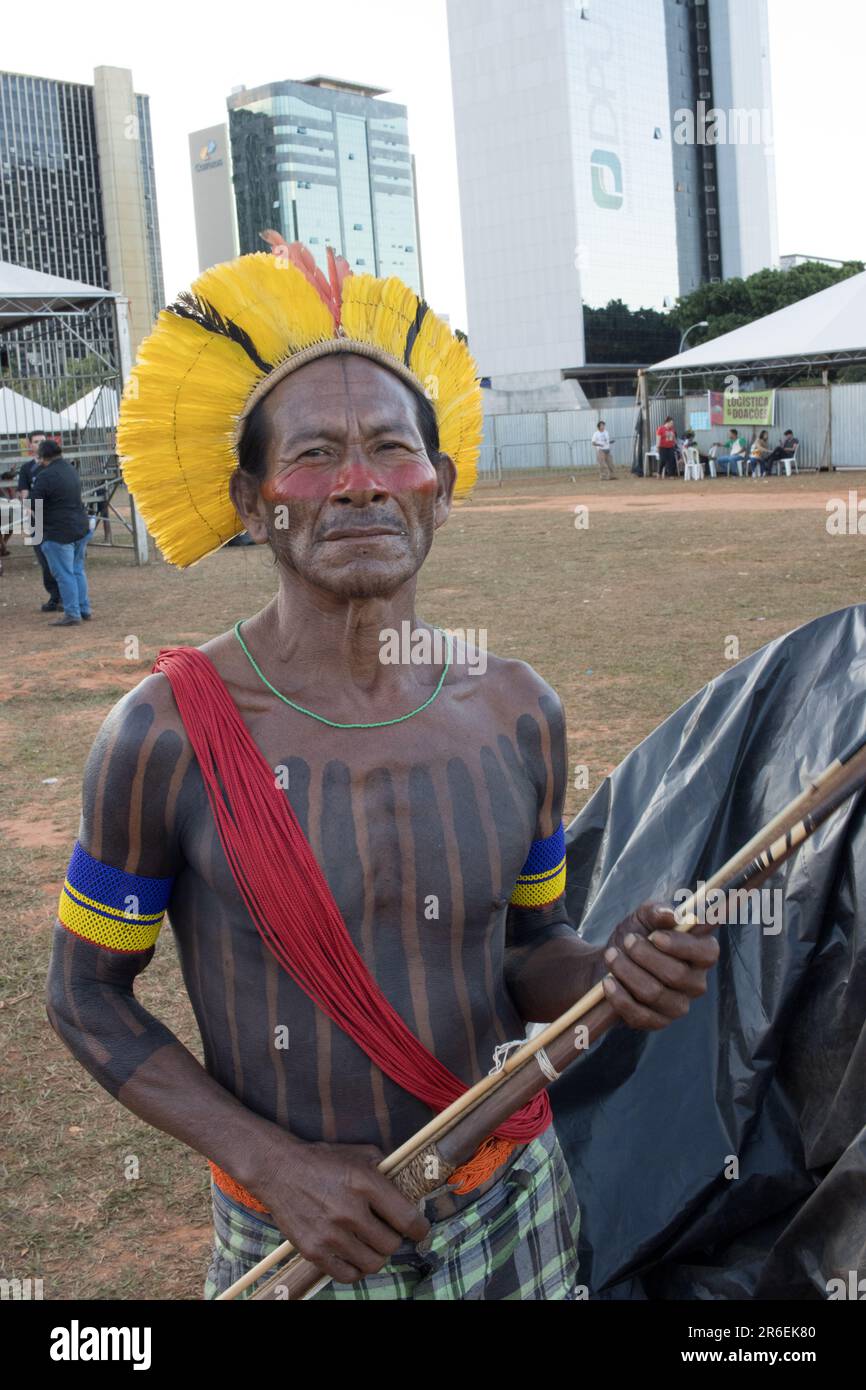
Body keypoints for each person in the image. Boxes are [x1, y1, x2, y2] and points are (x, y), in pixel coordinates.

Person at [46, 238, 718, 1302]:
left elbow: (523, 949)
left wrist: (604, 972)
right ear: (251, 495)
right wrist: (273, 1165)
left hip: (516, 1208)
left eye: (389, 450)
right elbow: (84, 992)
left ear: (440, 487)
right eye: (312, 455)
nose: (358, 484)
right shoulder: (164, 735)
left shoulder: (519, 712)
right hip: (302, 1246)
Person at [30, 440, 92, 626]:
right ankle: (84, 608)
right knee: (77, 570)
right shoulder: (70, 469)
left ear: (43, 457)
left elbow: (34, 503)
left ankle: (72, 613)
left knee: (64, 574)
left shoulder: (45, 476)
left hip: (58, 531)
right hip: (79, 527)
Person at [16, 431, 62, 611]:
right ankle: (54, 596)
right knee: (44, 561)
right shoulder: (27, 469)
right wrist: (32, 509)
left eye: (43, 441)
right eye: (36, 442)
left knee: (59, 559)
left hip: (55, 517)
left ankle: (66, 597)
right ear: (30, 445)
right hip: (37, 518)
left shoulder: (54, 465)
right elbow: (24, 493)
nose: (40, 444)